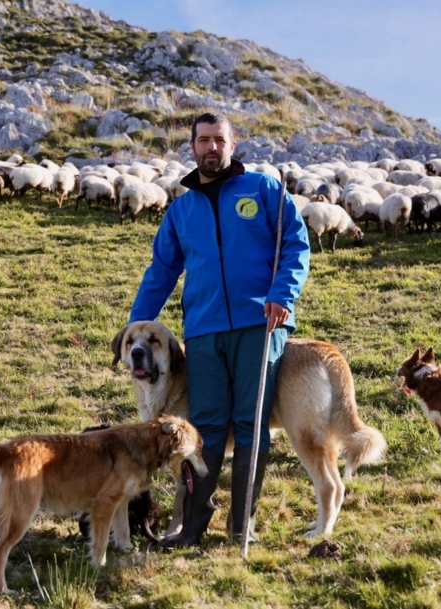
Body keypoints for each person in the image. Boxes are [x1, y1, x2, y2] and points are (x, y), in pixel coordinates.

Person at [127, 112, 311, 547]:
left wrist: (283, 294)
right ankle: (191, 527)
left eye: (219, 140)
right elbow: (162, 270)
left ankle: (240, 526)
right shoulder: (182, 209)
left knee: (250, 423)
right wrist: (134, 327)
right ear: (191, 146)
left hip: (259, 323)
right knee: (203, 429)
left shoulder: (263, 189)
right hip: (205, 332)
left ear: (233, 144)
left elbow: (295, 244)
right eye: (203, 140)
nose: (211, 147)